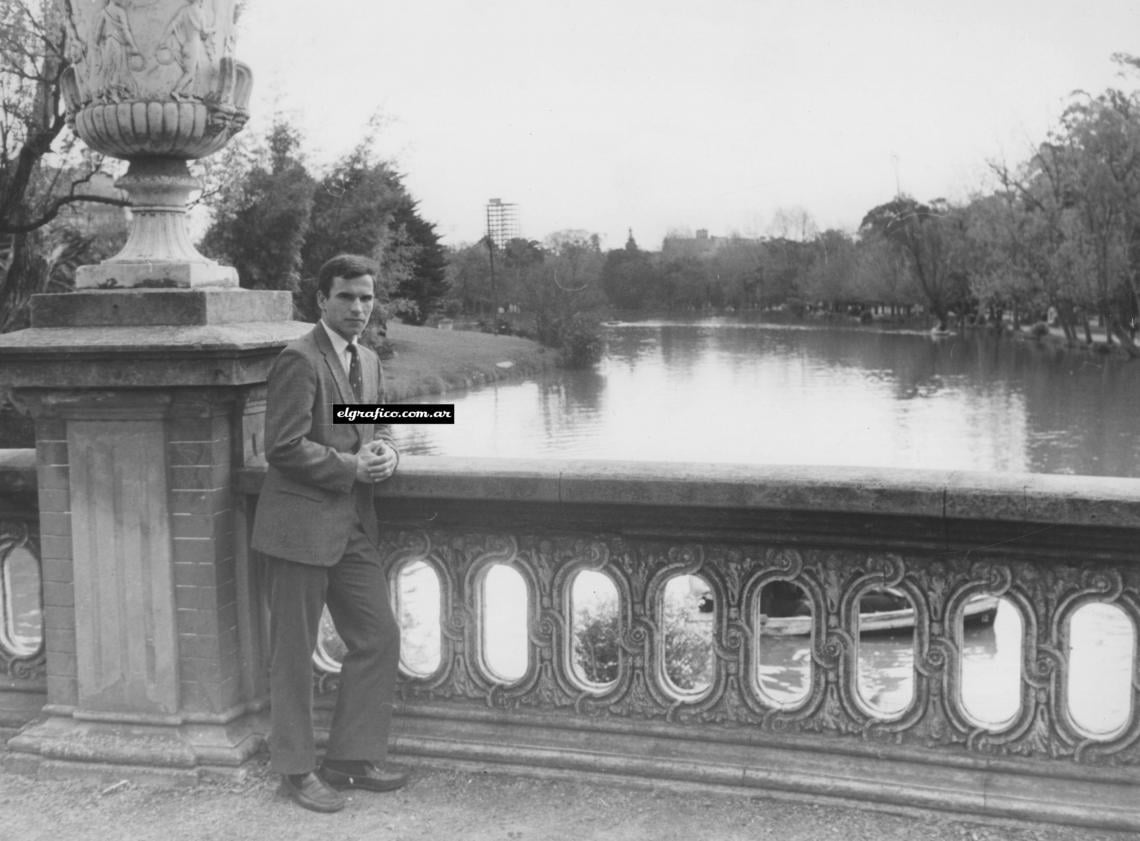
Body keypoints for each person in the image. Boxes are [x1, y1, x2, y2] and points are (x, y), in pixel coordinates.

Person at [251, 253, 406, 813]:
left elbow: (383, 424)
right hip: (298, 528)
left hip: (352, 526)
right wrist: (350, 468)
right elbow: (283, 445)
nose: (359, 308)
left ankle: (348, 758)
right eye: (347, 297)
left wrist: (388, 450)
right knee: (292, 653)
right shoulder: (298, 358)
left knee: (378, 635)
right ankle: (295, 770)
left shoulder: (368, 358)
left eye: (367, 297)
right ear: (321, 299)